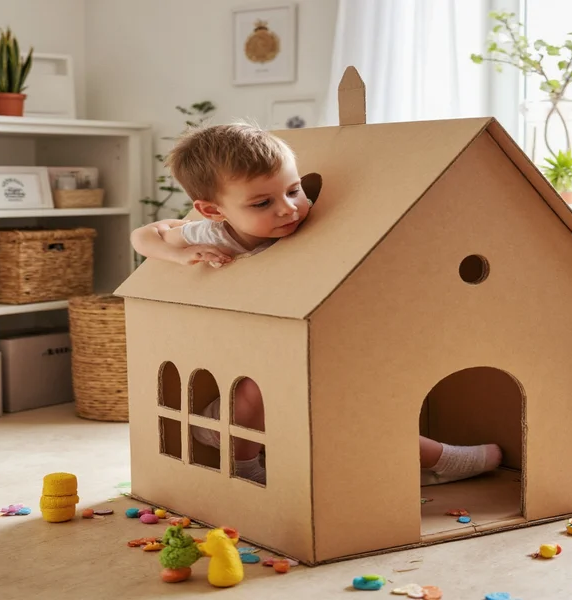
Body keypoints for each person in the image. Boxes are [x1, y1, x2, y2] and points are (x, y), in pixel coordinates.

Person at [130, 122, 502, 486]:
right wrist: (179, 255)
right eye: (263, 202)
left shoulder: (322, 225)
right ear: (214, 211)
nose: (288, 209)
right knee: (261, 388)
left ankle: (433, 459)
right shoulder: (213, 234)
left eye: (294, 190)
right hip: (238, 405)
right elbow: (145, 235)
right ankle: (243, 466)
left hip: (306, 372)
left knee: (353, 403)